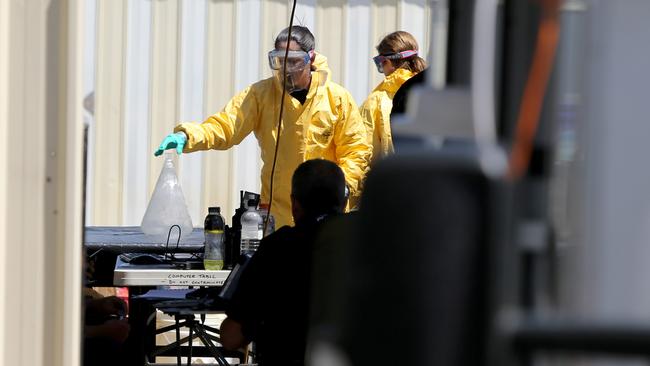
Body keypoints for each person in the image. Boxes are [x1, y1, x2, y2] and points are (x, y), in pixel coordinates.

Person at [154, 26, 371, 227]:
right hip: (278, 216)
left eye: (293, 61)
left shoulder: (337, 99)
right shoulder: (261, 95)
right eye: (278, 61)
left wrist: (341, 187)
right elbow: (227, 126)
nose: (285, 69)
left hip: (327, 215)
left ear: (310, 58)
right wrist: (189, 135)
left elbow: (356, 150)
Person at [219, 159, 347, 366]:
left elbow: (231, 337)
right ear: (344, 202)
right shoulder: (373, 245)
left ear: (295, 205)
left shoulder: (277, 248)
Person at [359, 31, 427, 163]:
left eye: (380, 63)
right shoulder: (428, 91)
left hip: (392, 180)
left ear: (387, 61)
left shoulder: (376, 100)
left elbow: (365, 154)